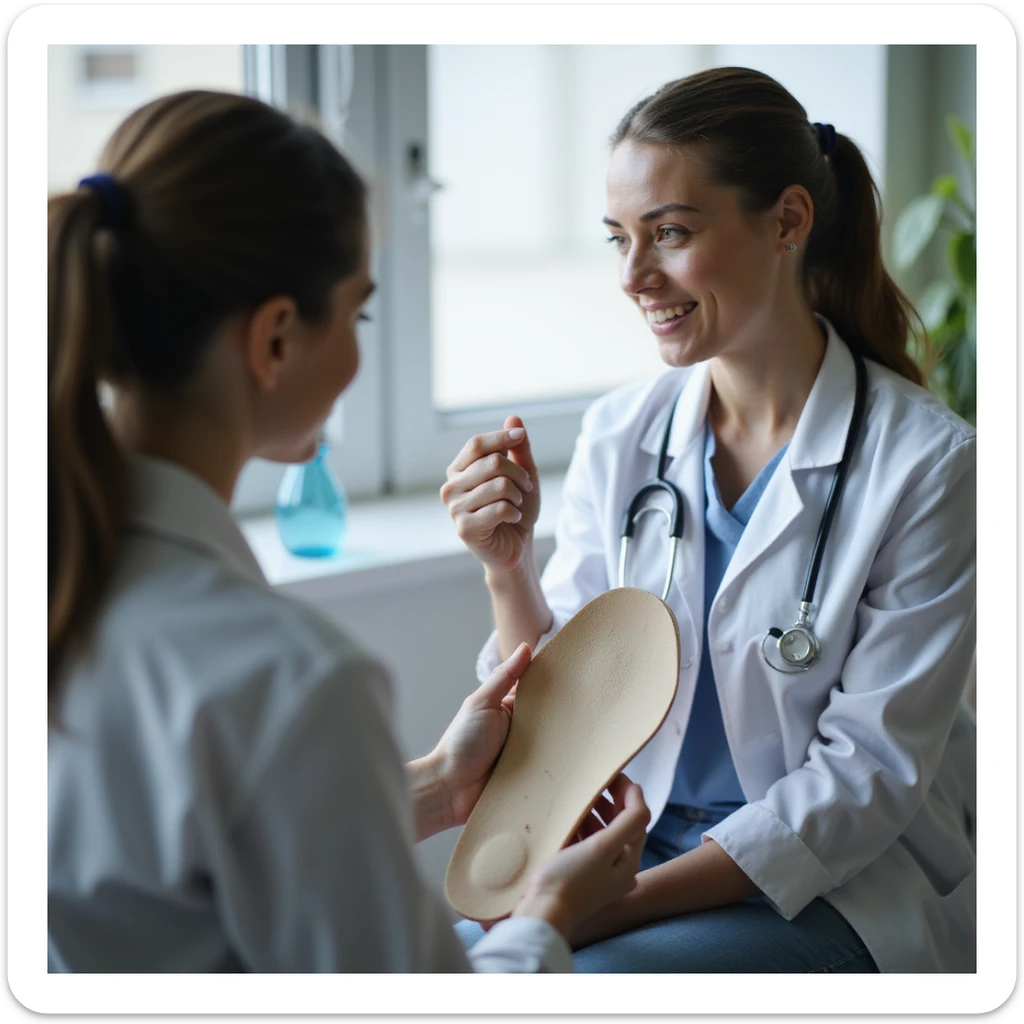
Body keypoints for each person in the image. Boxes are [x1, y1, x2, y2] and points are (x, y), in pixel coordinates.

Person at [47, 89, 653, 974]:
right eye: (360, 313)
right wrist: (552, 912)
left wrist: (444, 785)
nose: (363, 356)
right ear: (277, 340)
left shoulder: (67, 586)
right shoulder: (288, 679)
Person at [443, 67, 977, 973]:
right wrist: (506, 569)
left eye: (671, 234)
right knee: (434, 965)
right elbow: (565, 721)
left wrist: (594, 913)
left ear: (788, 221)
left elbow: (862, 782)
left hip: (825, 881)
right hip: (627, 848)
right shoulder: (622, 434)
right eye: (618, 239)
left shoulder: (929, 464)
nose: (633, 275)